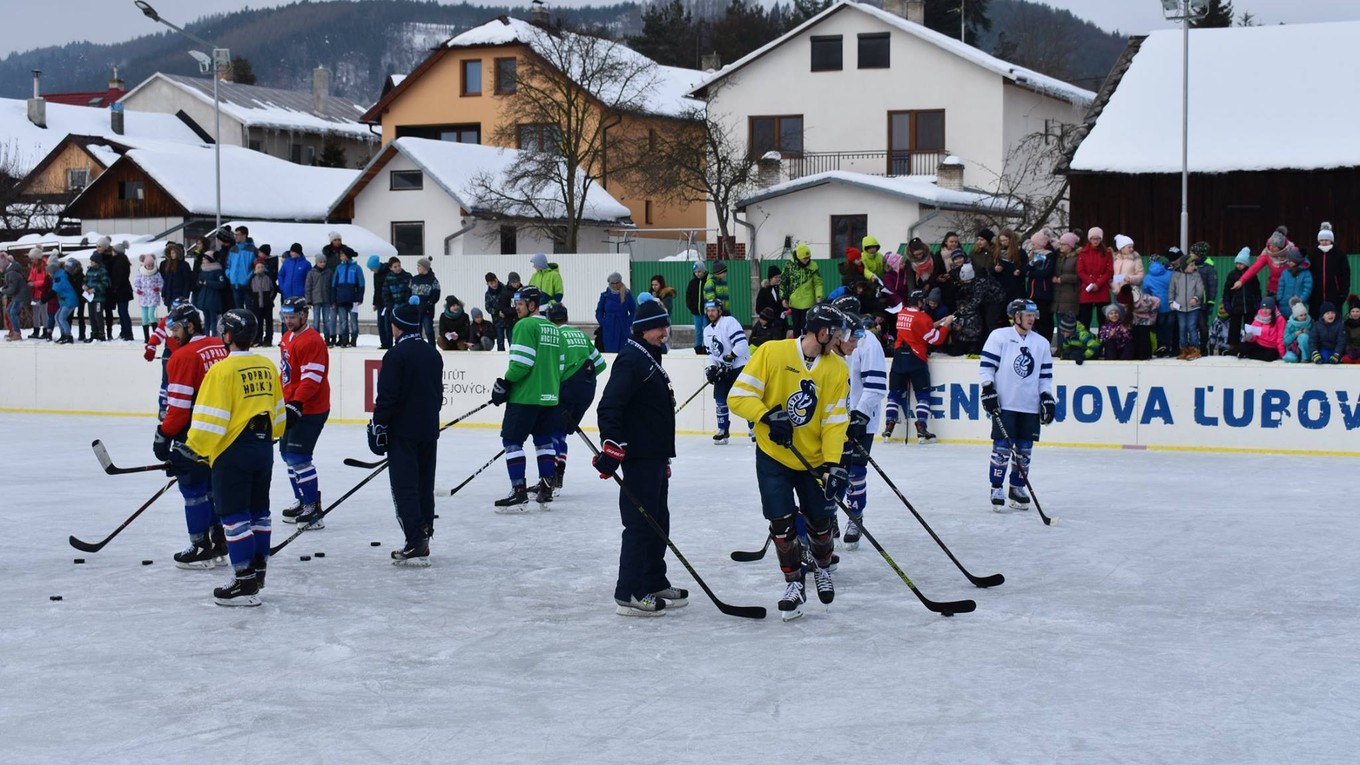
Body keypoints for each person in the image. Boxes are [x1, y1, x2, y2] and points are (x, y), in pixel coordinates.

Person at [728, 303, 849, 621]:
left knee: (821, 525)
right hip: (773, 456)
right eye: (836, 332)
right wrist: (765, 415)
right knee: (781, 525)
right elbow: (738, 396)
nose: (839, 338)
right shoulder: (772, 352)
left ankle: (822, 568)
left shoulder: (837, 369)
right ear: (822, 332)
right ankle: (794, 583)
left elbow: (835, 421)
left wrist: (833, 463)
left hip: (813, 459)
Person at [179, 309, 284, 605]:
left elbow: (211, 421)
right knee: (259, 512)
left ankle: (243, 581)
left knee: (235, 515)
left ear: (228, 335)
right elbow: (278, 414)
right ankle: (258, 572)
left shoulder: (222, 371)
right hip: (264, 449)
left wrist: (192, 450)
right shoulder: (265, 366)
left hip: (232, 452)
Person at [591, 299, 681, 616]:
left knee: (659, 523)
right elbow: (610, 406)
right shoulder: (631, 360)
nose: (665, 333)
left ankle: (653, 580)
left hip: (654, 456)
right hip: (639, 458)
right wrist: (611, 444)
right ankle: (629, 591)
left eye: (665, 326)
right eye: (660, 327)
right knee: (639, 525)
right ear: (644, 330)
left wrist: (663, 459)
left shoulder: (649, 358)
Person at [364, 302, 444, 564]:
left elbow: (387, 397)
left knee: (405, 486)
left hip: (403, 433)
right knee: (424, 484)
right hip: (428, 430)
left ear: (396, 326)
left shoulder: (396, 355)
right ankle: (424, 534)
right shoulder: (433, 353)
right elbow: (438, 394)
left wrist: (378, 426)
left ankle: (414, 540)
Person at [491, 285, 564, 511]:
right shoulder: (554, 329)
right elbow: (560, 366)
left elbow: (522, 363)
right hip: (549, 397)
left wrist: (505, 382)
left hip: (525, 397)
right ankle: (545, 488)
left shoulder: (524, 325)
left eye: (520, 304)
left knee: (512, 441)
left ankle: (519, 491)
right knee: (544, 442)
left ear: (532, 305)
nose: (517, 308)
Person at [980, 299, 1055, 511]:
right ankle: (996, 487)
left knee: (1024, 450)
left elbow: (1045, 377)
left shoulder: (1041, 343)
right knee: (1002, 448)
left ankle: (1017, 488)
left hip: (1029, 406)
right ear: (1016, 316)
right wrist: (988, 389)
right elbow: (986, 367)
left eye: (1034, 314)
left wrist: (1047, 397)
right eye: (1027, 314)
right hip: (1006, 404)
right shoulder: (999, 336)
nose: (1031, 318)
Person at [829, 295, 886, 550]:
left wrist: (859, 416)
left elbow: (875, 386)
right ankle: (829, 516)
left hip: (861, 420)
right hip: (835, 420)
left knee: (855, 471)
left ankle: (855, 515)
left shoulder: (868, 343)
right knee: (831, 470)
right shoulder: (833, 342)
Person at [274, 296, 332, 530]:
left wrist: (296, 403)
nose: (288, 321)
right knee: (287, 455)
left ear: (304, 316)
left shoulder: (312, 341)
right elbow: (286, 374)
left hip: (310, 408)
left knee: (299, 457)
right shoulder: (287, 337)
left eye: (292, 317)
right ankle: (302, 501)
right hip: (291, 405)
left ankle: (312, 508)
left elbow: (312, 378)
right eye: (285, 316)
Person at [547, 302, 606, 496]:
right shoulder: (580, 334)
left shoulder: (556, 336)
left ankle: (550, 477)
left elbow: (558, 366)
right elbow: (600, 363)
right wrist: (584, 377)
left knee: (553, 432)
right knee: (562, 432)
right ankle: (558, 472)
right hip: (587, 391)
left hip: (566, 389)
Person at [885, 289, 953, 442]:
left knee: (894, 394)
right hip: (916, 358)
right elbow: (935, 339)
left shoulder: (901, 314)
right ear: (920, 302)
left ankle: (889, 423)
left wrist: (939, 322)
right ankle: (921, 426)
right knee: (923, 396)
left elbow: (919, 329)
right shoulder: (922, 317)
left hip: (899, 358)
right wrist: (946, 325)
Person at [702, 298, 752, 444]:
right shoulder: (706, 331)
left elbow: (742, 344)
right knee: (720, 399)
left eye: (713, 310)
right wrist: (711, 368)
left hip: (739, 366)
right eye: (708, 311)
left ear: (720, 311)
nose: (710, 313)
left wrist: (730, 357)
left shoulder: (729, 322)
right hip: (722, 370)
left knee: (745, 398)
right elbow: (711, 354)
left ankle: (753, 427)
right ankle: (723, 430)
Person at [1233, 226, 1295, 298]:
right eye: (1270, 245)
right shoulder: (1267, 253)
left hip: (1289, 290)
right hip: (1273, 290)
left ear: (1281, 248)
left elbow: (1302, 265)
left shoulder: (1292, 252)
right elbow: (1255, 268)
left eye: (1274, 246)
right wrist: (1241, 281)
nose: (1270, 247)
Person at [782, 243, 824, 338]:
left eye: (808, 257)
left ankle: (807, 346)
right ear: (798, 257)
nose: (807, 260)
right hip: (794, 302)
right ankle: (797, 346)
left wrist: (819, 296)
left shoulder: (813, 266)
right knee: (796, 327)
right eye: (805, 258)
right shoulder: (789, 266)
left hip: (808, 302)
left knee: (806, 326)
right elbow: (784, 282)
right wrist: (784, 298)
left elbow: (818, 282)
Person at [1169, 253, 1205, 360]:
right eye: (1191, 265)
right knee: (1182, 328)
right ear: (1184, 266)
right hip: (1180, 307)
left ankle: (1195, 349)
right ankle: (1184, 350)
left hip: (1193, 307)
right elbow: (1172, 290)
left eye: (1194, 264)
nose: (1193, 267)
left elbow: (1200, 289)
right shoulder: (1176, 276)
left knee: (1192, 327)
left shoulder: (1196, 275)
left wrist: (1196, 298)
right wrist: (1171, 302)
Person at [1310, 223, 1351, 318]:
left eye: (1327, 240)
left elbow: (1346, 275)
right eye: (1322, 240)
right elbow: (1308, 274)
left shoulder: (1339, 254)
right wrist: (1310, 295)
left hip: (1334, 295)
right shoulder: (1313, 254)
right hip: (1316, 296)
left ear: (1331, 240)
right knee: (1316, 320)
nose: (1324, 242)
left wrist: (1343, 294)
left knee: (1334, 320)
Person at [1076, 228, 1113, 330]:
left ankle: (1103, 343)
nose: (1095, 241)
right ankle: (1085, 343)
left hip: (1102, 289)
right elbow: (1080, 271)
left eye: (1097, 238)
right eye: (1093, 238)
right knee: (1084, 320)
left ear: (1101, 239)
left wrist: (1098, 284)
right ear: (1089, 239)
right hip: (1087, 289)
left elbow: (1109, 271)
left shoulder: (1107, 253)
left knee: (1103, 319)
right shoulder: (1083, 253)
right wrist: (1092, 283)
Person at [330, 249, 364, 347]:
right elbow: (334, 284)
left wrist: (360, 298)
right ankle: (344, 339)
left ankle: (353, 339)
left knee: (354, 321)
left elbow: (361, 284)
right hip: (341, 300)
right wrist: (333, 299)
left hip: (353, 300)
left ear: (347, 256)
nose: (340, 256)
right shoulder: (339, 268)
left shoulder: (356, 268)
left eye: (342, 254)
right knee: (343, 321)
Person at [1026, 232, 1056, 341]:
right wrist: (1030, 265)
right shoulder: (1032, 255)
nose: (1033, 246)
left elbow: (1046, 272)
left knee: (1045, 318)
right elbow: (1025, 270)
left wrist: (1032, 273)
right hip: (1032, 293)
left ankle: (1046, 340)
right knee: (1035, 319)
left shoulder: (1050, 255)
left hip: (1043, 293)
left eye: (1034, 244)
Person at [595, 272, 635, 352]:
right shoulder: (605, 295)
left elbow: (634, 310)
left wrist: (628, 322)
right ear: (609, 284)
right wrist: (603, 322)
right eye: (613, 283)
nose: (615, 285)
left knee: (624, 352)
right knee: (610, 353)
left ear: (621, 282)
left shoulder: (627, 294)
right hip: (609, 329)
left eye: (617, 282)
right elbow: (599, 311)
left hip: (623, 328)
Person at [1143, 254, 1174, 356]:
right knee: (1169, 327)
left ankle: (1161, 346)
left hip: (1157, 306)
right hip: (1170, 305)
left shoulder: (1147, 278)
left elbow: (1145, 291)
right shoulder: (1170, 274)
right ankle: (1170, 346)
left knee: (1159, 327)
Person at [1239, 297, 1286, 362]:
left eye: (1267, 308)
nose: (1264, 310)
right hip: (1259, 344)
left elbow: (1280, 338)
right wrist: (1250, 337)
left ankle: (1248, 356)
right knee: (1243, 346)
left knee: (1270, 356)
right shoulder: (1259, 317)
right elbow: (1254, 333)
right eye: (1263, 308)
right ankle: (1228, 353)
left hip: (1271, 347)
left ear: (1272, 308)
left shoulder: (1279, 319)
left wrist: (1282, 354)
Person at [407, 257, 440, 344]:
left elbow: (436, 295)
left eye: (419, 266)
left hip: (427, 310)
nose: (417, 268)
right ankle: (419, 348)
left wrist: (429, 304)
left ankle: (432, 348)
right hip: (415, 310)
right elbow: (408, 292)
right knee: (417, 331)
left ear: (425, 267)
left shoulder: (433, 280)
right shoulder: (414, 279)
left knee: (428, 330)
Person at [305, 254, 335, 346]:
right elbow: (308, 287)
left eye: (324, 262)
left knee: (327, 320)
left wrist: (332, 300)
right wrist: (308, 300)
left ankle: (327, 338)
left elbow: (331, 287)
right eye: (320, 262)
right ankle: (316, 338)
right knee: (316, 320)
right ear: (317, 262)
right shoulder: (312, 273)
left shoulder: (329, 273)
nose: (322, 264)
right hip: (316, 300)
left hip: (326, 300)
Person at [226, 227, 258, 312]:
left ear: (244, 235)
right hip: (235, 284)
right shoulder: (233, 249)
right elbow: (228, 264)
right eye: (235, 234)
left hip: (248, 285)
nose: (235, 237)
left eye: (238, 234)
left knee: (249, 309)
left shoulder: (253, 250)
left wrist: (249, 277)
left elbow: (256, 266)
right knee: (238, 310)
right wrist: (229, 274)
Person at [133, 254, 163, 344]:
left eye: (151, 265)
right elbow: (135, 284)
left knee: (151, 315)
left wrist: (158, 288)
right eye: (148, 265)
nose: (150, 267)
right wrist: (138, 290)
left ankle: (155, 336)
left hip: (153, 297)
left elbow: (161, 283)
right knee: (144, 318)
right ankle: (147, 338)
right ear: (144, 265)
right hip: (144, 298)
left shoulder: (157, 274)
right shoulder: (140, 273)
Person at [2, 251, 31, 341]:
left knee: (13, 312)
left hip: (21, 296)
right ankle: (14, 331)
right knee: (9, 311)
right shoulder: (11, 270)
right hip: (18, 295)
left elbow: (12, 289)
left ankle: (17, 333)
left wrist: (2, 290)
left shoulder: (11, 273)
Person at [83, 252, 111, 342]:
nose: (91, 263)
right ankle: (94, 333)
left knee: (98, 315)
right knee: (91, 315)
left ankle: (101, 333)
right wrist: (84, 286)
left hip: (99, 298)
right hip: (90, 298)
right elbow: (85, 280)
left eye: (93, 261)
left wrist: (94, 289)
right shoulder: (89, 270)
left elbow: (105, 283)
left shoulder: (102, 271)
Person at [247, 261, 277, 346]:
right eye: (258, 267)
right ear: (255, 268)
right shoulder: (252, 278)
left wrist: (270, 299)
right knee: (258, 322)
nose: (260, 269)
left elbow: (273, 289)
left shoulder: (268, 277)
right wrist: (253, 300)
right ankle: (258, 339)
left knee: (268, 322)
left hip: (267, 303)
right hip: (256, 303)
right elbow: (249, 290)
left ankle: (268, 339)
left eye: (262, 267)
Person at [1275, 248, 1312, 313]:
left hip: (1299, 305)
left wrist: (1301, 299)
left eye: (1290, 261)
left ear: (1296, 260)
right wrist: (1279, 298)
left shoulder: (1306, 273)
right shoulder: (1285, 273)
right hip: (1284, 304)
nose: (1288, 262)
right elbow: (1281, 286)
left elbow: (1307, 288)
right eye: (1287, 260)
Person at [50, 258, 78, 344]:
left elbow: (54, 290)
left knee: (62, 318)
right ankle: (63, 335)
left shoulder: (60, 277)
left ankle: (68, 336)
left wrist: (43, 300)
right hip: (65, 300)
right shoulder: (60, 275)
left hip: (69, 300)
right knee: (57, 317)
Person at [382, 258, 414, 332]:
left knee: (403, 327)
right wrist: (390, 306)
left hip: (404, 307)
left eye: (399, 266)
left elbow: (410, 291)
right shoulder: (388, 278)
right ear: (391, 268)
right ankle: (389, 343)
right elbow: (385, 294)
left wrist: (406, 305)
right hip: (392, 307)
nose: (398, 268)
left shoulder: (407, 276)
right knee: (388, 327)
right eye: (395, 267)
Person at [159, 243, 193, 311]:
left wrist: (185, 296)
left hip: (179, 294)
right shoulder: (168, 264)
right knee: (171, 314)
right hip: (169, 294)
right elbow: (166, 281)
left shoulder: (184, 265)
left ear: (178, 253)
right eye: (171, 253)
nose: (172, 255)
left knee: (179, 313)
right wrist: (163, 294)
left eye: (174, 253)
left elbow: (187, 282)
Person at [368, 255, 392, 349]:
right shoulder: (376, 274)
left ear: (376, 266)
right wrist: (374, 303)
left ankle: (389, 343)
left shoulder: (387, 272)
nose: (371, 270)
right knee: (380, 324)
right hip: (379, 303)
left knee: (387, 324)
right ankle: (383, 343)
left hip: (387, 302)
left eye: (372, 268)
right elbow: (376, 289)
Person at [26, 249, 50, 339]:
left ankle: (46, 331)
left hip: (42, 292)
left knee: (44, 313)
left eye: (33, 258)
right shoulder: (34, 266)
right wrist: (29, 281)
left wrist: (34, 283)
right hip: (34, 292)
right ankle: (36, 331)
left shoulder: (44, 265)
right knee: (35, 313)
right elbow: (31, 276)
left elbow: (45, 280)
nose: (31, 260)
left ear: (38, 258)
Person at [685, 261, 708, 353]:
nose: (697, 274)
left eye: (699, 272)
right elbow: (688, 296)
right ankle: (698, 347)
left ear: (703, 271)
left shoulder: (708, 281)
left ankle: (707, 346)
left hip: (706, 312)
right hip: (696, 312)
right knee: (698, 331)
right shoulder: (692, 283)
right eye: (696, 272)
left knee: (706, 330)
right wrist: (691, 306)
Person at [484, 272, 509, 350]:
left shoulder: (505, 289)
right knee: (500, 341)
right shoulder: (488, 294)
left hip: (508, 318)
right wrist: (497, 312)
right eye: (491, 283)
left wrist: (506, 311)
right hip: (497, 320)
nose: (494, 284)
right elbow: (488, 307)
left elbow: (510, 302)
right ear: (487, 284)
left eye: (495, 281)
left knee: (512, 339)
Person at [1343, 298, 1360, 363]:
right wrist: (1349, 350)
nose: (1355, 314)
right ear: (1350, 312)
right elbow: (1345, 340)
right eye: (1353, 311)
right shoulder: (1346, 324)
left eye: (1357, 311)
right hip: (1350, 351)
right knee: (1346, 359)